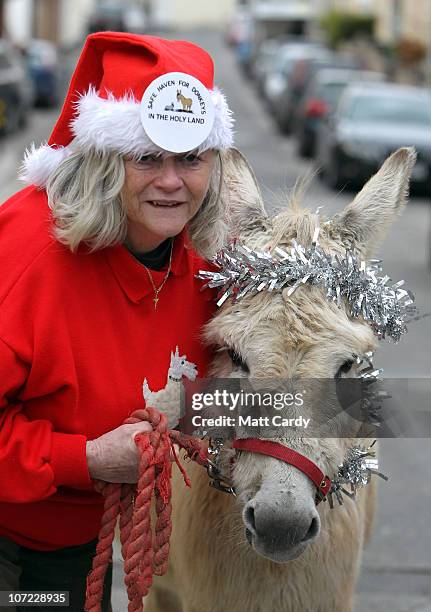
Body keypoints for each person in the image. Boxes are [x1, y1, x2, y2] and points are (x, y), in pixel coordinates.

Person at [0, 31, 234, 611]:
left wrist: (345, 405)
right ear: (103, 161)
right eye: (147, 158)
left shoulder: (205, 265)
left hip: (88, 547)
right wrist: (86, 460)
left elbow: (228, 397)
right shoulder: (27, 255)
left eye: (190, 158)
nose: (172, 181)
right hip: (16, 551)